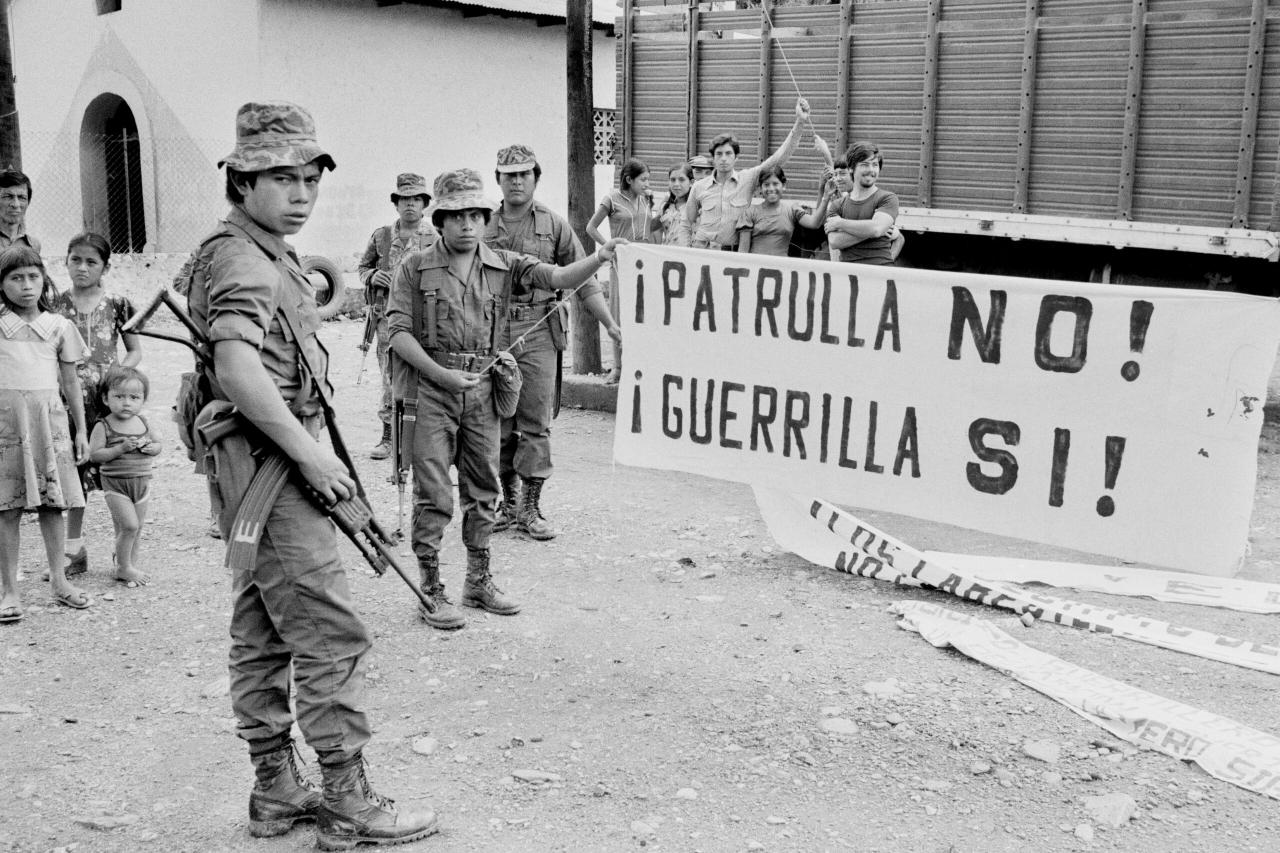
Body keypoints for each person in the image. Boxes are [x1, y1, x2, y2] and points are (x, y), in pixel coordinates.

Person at [187, 101, 436, 847]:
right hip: (270, 465)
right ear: (239, 180)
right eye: (280, 177)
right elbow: (235, 367)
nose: (300, 192)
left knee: (264, 623)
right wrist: (310, 452)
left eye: (309, 177)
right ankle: (346, 801)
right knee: (328, 627)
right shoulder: (239, 256)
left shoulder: (260, 250)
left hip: (251, 466)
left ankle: (277, 789)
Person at [388, 168, 626, 630]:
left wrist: (599, 257)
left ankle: (477, 581)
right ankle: (430, 589)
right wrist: (441, 374)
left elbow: (558, 275)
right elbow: (397, 332)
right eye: (456, 216)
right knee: (434, 495)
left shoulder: (503, 263)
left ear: (483, 216)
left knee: (484, 491)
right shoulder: (414, 268)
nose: (467, 224)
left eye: (475, 214)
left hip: (480, 390)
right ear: (440, 221)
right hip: (431, 392)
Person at [483, 145, 621, 540]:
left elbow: (582, 280)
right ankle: (506, 504)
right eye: (508, 175)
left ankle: (530, 506)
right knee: (497, 421)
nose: (516, 181)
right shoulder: (483, 225)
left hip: (539, 331)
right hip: (493, 332)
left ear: (535, 178)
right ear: (498, 180)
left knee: (534, 421)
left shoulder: (554, 225)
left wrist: (610, 324)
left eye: (524, 174)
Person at [0, 246, 91, 623]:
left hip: (48, 423)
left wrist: (81, 429)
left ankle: (59, 580)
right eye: (15, 278)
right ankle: (9, 591)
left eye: (33, 277)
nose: (26, 286)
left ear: (44, 280)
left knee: (54, 503)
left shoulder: (59, 326)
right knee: (6, 507)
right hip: (5, 426)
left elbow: (70, 382)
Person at [51, 231, 142, 578]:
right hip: (69, 402)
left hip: (108, 404)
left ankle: (127, 553)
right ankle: (74, 550)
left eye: (92, 262)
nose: (83, 268)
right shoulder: (55, 305)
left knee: (119, 472)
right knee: (75, 472)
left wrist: (118, 378)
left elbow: (134, 349)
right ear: (66, 261)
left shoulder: (118, 303)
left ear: (105, 266)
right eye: (76, 260)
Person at [357, 173, 438, 460]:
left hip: (423, 318)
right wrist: (372, 276)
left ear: (425, 204)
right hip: (387, 320)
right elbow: (363, 267)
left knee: (424, 376)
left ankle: (421, 439)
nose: (410, 205)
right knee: (390, 377)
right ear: (396, 203)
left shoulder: (435, 237)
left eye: (416, 199)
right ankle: (388, 437)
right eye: (405, 199)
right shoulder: (382, 236)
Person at [676, 97, 811, 249]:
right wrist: (685, 252)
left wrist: (800, 122)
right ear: (713, 159)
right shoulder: (699, 187)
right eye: (719, 154)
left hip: (732, 253)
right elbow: (686, 223)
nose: (724, 159)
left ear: (737, 157)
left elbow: (778, 159)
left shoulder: (748, 179)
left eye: (728, 153)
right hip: (703, 250)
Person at [88, 366, 161, 587]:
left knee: (136, 530)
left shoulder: (144, 423)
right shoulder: (104, 425)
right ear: (106, 398)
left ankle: (129, 564)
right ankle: (123, 568)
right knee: (129, 526)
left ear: (142, 400)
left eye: (134, 397)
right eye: (119, 396)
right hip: (116, 486)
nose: (126, 402)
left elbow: (158, 445)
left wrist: (151, 448)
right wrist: (120, 449)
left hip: (141, 484)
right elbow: (95, 454)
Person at [587, 157, 651, 386]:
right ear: (628, 179)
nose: (646, 183)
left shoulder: (646, 199)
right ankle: (618, 367)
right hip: (621, 264)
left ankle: (640, 364)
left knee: (643, 313)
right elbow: (591, 227)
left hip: (644, 264)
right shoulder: (612, 199)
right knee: (618, 313)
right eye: (642, 179)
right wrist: (609, 247)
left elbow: (650, 229)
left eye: (647, 180)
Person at [824, 141, 901, 265]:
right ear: (851, 168)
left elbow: (876, 228)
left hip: (880, 276)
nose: (871, 170)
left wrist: (840, 223)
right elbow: (834, 242)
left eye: (875, 165)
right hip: (849, 277)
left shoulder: (888, 198)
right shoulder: (837, 205)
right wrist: (871, 230)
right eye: (864, 164)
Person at [735, 165, 831, 257]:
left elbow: (815, 223)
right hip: (756, 270)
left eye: (775, 184)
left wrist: (823, 192)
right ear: (760, 187)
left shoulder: (791, 210)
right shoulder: (750, 213)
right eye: (766, 185)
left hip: (781, 270)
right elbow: (743, 252)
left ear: (783, 185)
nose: (771, 189)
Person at [0, 170, 40, 253]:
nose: (15, 204)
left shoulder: (33, 245)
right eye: (8, 196)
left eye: (22, 197)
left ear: (28, 202)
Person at [656, 163, 694, 246]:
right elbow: (657, 231)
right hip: (667, 255)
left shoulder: (696, 207)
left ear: (691, 182)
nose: (676, 184)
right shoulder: (666, 206)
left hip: (687, 256)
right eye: (673, 180)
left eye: (681, 180)